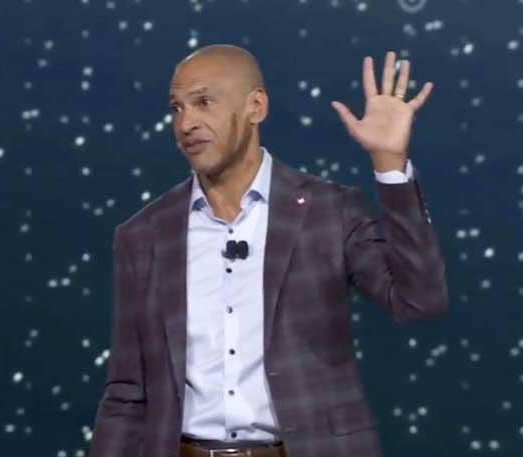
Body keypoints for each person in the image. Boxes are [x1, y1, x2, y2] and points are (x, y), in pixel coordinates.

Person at [88, 44, 448, 457]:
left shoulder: (329, 211)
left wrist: (389, 164)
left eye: (204, 102)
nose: (186, 123)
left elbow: (419, 302)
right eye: (177, 108)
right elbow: (127, 391)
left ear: (256, 107)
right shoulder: (143, 235)